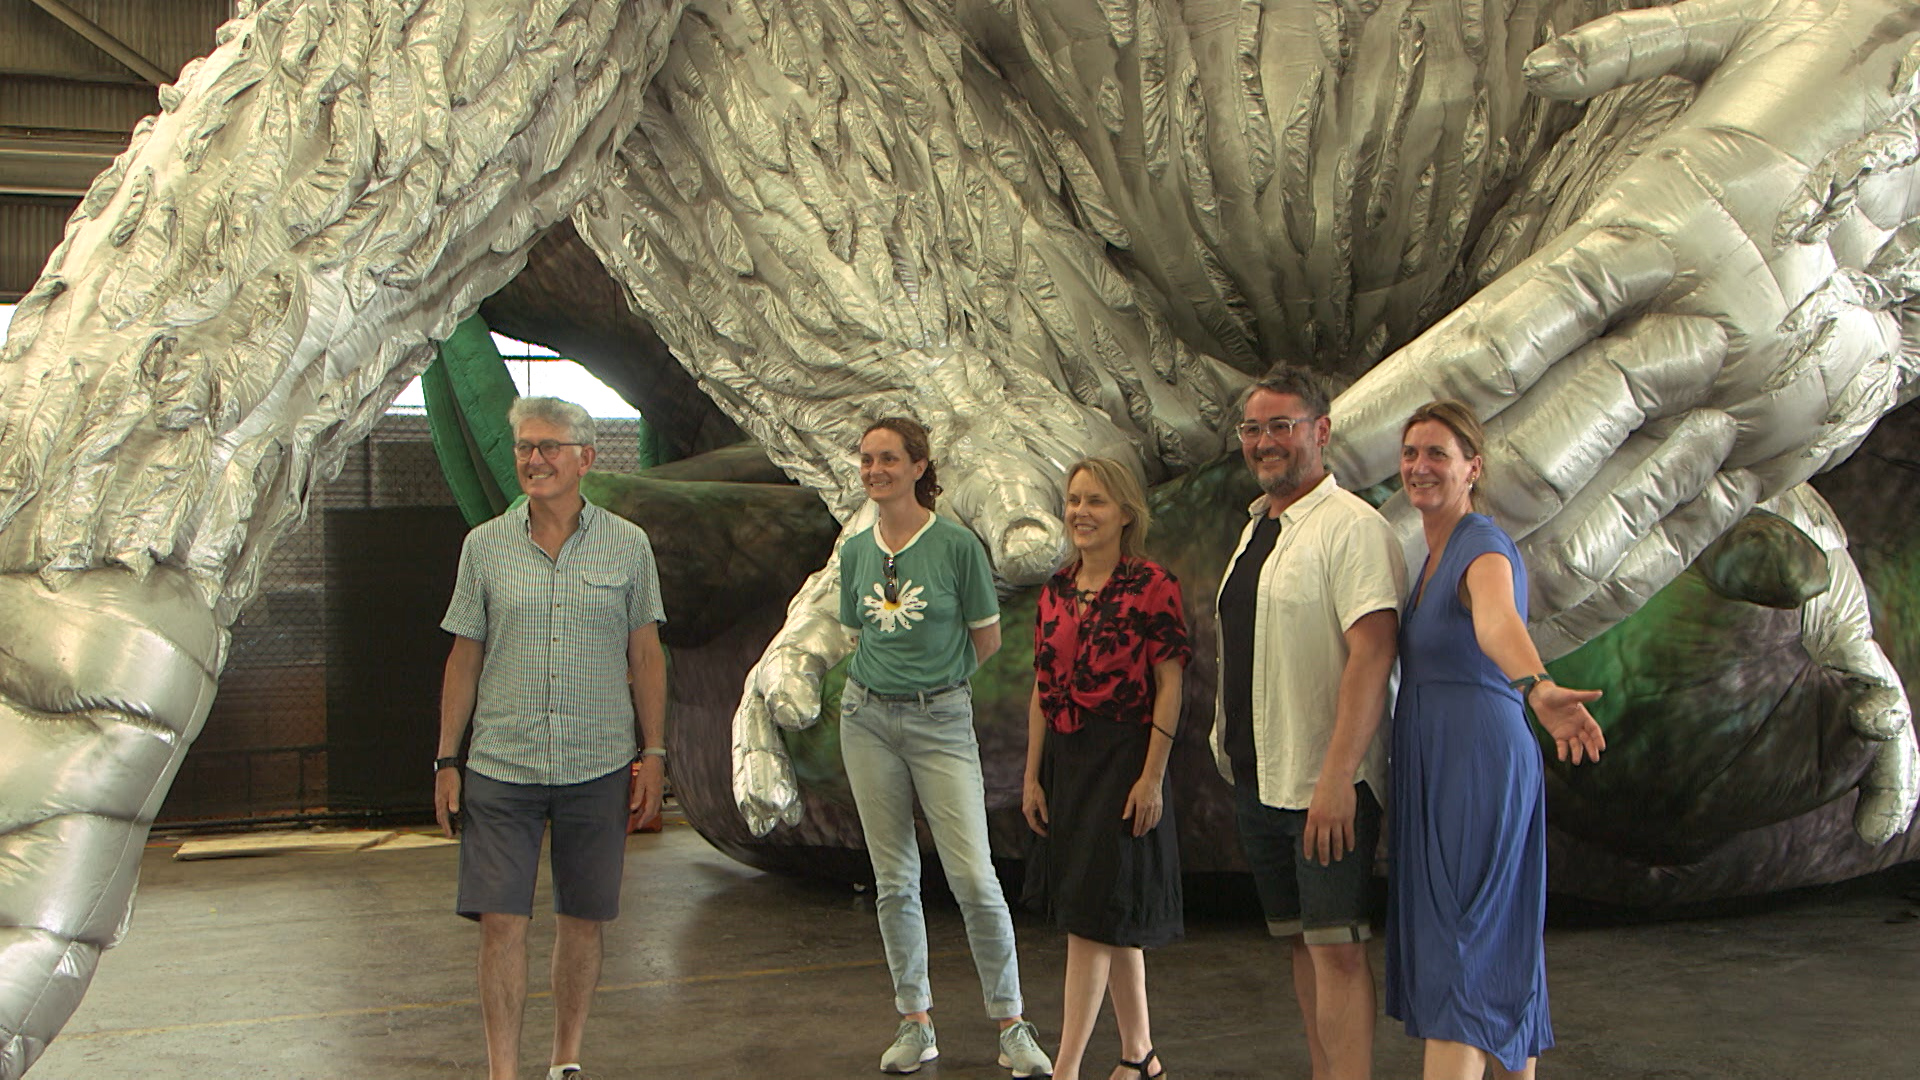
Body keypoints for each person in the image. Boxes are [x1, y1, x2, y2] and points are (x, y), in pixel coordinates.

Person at [434, 396, 668, 1080]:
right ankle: (502, 1070)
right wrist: (448, 758)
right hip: (501, 766)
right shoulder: (483, 547)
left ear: (586, 459)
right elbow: (464, 659)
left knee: (582, 919)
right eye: (524, 448)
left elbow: (647, 657)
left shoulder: (629, 545)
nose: (533, 460)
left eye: (549, 448)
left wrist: (653, 754)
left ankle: (566, 1058)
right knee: (501, 922)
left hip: (597, 765)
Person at [1385, 400, 1606, 1080]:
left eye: (1438, 455)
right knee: (1483, 943)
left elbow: (1497, 622)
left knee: (1462, 947)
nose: (1421, 466)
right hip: (1440, 759)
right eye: (1412, 453)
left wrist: (1537, 685)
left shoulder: (1481, 545)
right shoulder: (1430, 556)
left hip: (1476, 760)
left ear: (1472, 468)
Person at [837, 417, 1054, 1078]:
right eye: (868, 460)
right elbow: (856, 636)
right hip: (866, 720)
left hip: (940, 723)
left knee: (973, 879)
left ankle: (1012, 1024)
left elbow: (985, 640)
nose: (876, 471)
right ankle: (915, 1022)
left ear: (919, 465)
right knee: (893, 879)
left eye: (890, 459)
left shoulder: (957, 546)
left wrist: (935, 687)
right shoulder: (856, 550)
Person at [1212, 367, 1405, 1080]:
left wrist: (1337, 783)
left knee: (1338, 949)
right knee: (1302, 944)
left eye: (1282, 426)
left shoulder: (1352, 528)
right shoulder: (1258, 526)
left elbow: (1373, 652)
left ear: (1320, 432)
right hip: (1263, 778)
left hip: (1326, 787)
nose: (1266, 442)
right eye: (1254, 429)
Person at [1021, 458, 1190, 1080]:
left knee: (1090, 920)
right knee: (1107, 913)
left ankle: (1065, 1070)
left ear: (1126, 513)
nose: (1080, 513)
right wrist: (1033, 775)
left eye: (1095, 501)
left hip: (1125, 760)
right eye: (1072, 500)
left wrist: (1151, 777)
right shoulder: (1055, 590)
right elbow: (1041, 689)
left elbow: (1170, 686)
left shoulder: (1152, 585)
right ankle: (1138, 1056)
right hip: (1070, 762)